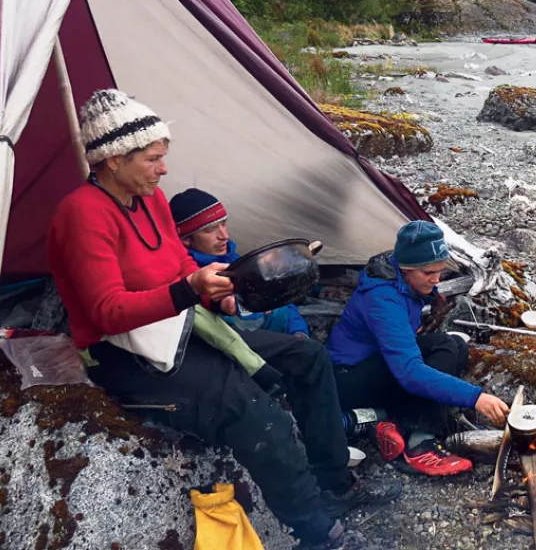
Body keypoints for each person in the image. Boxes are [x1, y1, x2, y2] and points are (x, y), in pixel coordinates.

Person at [46, 90, 399, 549]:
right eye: (153, 158)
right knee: (258, 415)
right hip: (123, 355)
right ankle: (318, 534)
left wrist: (218, 297)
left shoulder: (150, 200)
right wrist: (188, 291)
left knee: (308, 357)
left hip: (177, 326)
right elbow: (106, 312)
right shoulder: (81, 215)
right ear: (113, 160)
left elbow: (179, 268)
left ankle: (332, 483)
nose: (164, 169)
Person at [327, 221, 510, 477]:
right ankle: (417, 443)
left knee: (453, 345)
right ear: (406, 268)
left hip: (375, 362)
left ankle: (388, 419)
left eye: (439, 271)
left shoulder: (401, 277)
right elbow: (409, 373)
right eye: (428, 274)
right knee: (420, 370)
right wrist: (475, 397)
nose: (436, 279)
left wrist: (432, 297)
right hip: (348, 377)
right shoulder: (382, 300)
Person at [169, 187, 310, 338]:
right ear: (186, 239)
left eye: (224, 224)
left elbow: (283, 301)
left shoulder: (235, 260)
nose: (224, 236)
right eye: (211, 229)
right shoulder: (191, 281)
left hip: (283, 343)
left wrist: (299, 332)